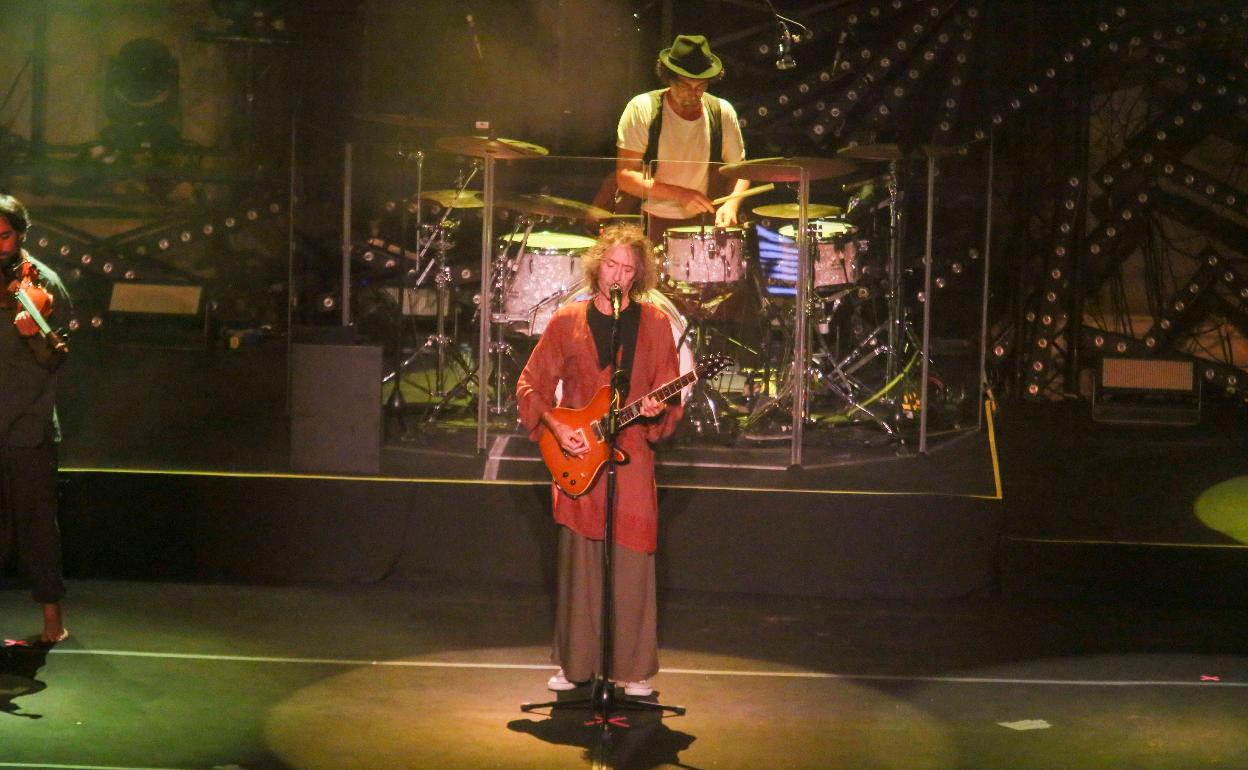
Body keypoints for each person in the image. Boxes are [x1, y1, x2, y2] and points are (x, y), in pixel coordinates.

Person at [515, 224, 683, 696]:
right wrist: (557, 426)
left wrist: (658, 409)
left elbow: (670, 397)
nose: (619, 274)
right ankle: (576, 665)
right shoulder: (566, 320)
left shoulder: (654, 324)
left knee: (632, 558)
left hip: (632, 459)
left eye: (629, 269)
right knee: (579, 564)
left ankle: (630, 671)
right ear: (598, 266)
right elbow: (530, 386)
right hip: (579, 456)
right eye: (612, 264)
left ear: (638, 275)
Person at [0, 194, 69, 645]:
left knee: (37, 526)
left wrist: (34, 333)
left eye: (2, 237)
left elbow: (54, 355)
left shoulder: (40, 282)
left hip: (27, 423)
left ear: (20, 235)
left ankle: (52, 626)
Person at [615, 33, 750, 243]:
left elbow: (741, 171)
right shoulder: (643, 108)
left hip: (702, 223)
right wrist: (680, 194)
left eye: (700, 86)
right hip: (647, 221)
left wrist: (731, 204)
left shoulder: (721, 111)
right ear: (669, 78)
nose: (693, 93)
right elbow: (625, 175)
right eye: (685, 86)